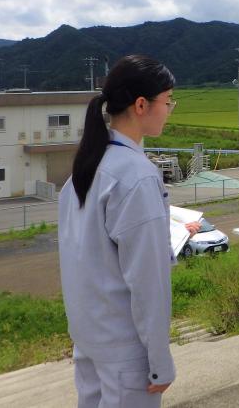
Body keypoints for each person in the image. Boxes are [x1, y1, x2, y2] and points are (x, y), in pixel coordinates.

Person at [59, 54, 178, 408]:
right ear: (142, 105)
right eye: (168, 102)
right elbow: (148, 280)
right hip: (127, 350)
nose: (170, 110)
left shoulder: (87, 169)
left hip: (90, 337)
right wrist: (160, 361)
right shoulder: (137, 176)